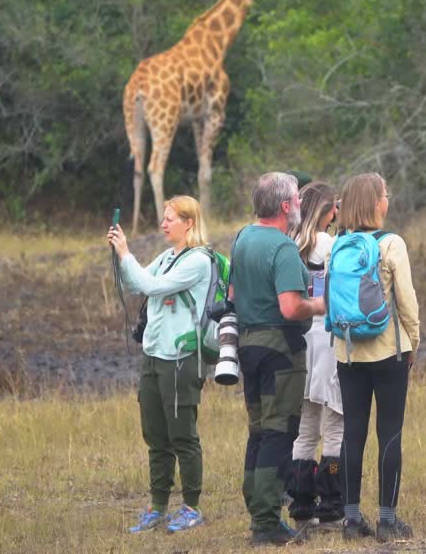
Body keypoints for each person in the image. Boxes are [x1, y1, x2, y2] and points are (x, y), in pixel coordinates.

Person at [230, 172, 325, 546]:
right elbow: (290, 307)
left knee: (258, 430)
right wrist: (322, 304)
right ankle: (267, 522)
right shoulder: (283, 248)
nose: (301, 205)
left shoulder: (243, 238)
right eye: (298, 200)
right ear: (285, 206)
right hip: (280, 349)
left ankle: (257, 507)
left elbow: (234, 293)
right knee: (279, 432)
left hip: (248, 344)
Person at [108, 195, 212, 534]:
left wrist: (126, 253)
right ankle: (157, 507)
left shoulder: (198, 261)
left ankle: (192, 507)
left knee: (183, 436)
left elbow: (149, 285)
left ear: (189, 223)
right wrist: (120, 257)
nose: (163, 223)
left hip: (181, 358)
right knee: (155, 435)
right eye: (164, 217)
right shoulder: (168, 256)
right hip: (153, 356)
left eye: (170, 218)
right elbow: (133, 282)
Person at [332, 173, 420, 542]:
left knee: (351, 433)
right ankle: (387, 520)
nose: (388, 200)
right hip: (388, 351)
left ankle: (351, 521)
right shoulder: (391, 243)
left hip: (347, 353)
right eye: (385, 195)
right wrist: (413, 341)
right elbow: (407, 300)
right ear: (375, 202)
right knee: (390, 433)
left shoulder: (337, 244)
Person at [285, 182, 345, 529]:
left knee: (305, 429)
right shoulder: (329, 245)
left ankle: (302, 506)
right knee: (334, 425)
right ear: (324, 211)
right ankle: (332, 507)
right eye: (333, 207)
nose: (336, 213)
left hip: (300, 341)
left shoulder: (290, 244)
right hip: (327, 338)